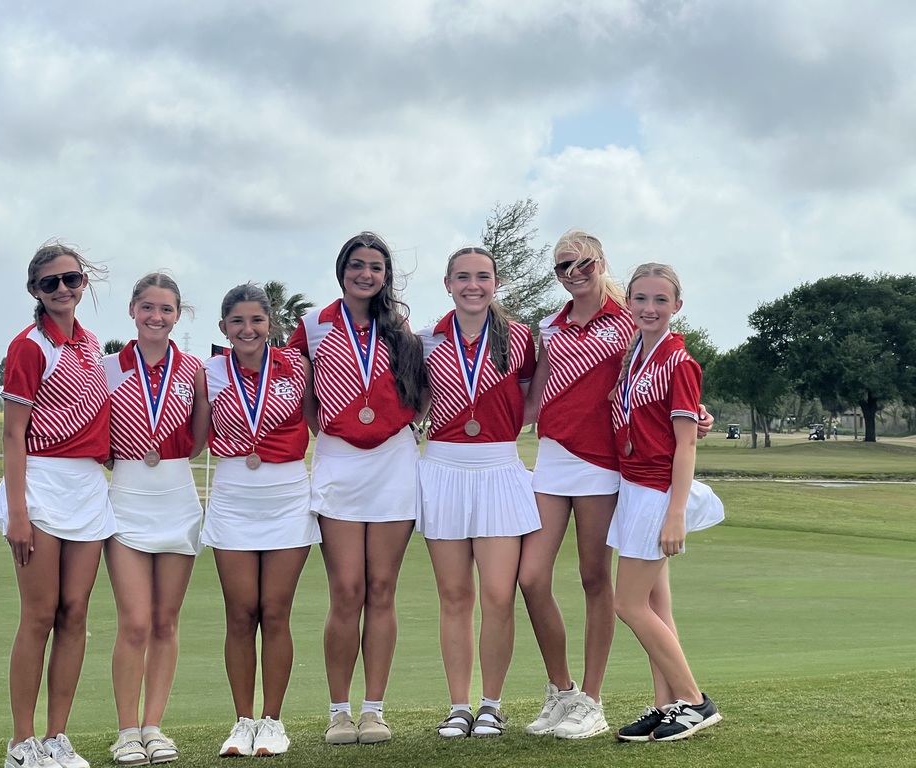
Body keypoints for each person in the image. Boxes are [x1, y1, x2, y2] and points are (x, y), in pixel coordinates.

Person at [520, 230, 714, 740]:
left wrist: (695, 416)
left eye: (583, 263)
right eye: (563, 266)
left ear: (601, 262)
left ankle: (595, 699)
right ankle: (566, 692)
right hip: (556, 458)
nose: (574, 273)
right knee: (532, 576)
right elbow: (537, 398)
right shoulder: (550, 325)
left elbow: (668, 383)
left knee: (601, 581)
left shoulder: (629, 319)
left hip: (609, 466)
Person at [287, 232, 426, 745]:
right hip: (339, 462)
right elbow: (299, 389)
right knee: (346, 590)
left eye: (376, 267)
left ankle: (373, 711)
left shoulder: (400, 328)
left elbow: (422, 389)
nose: (366, 274)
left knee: (382, 589)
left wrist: (406, 426)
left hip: (393, 462)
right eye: (357, 265)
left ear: (385, 276)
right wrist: (323, 431)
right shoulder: (312, 326)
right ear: (341, 269)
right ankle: (339, 712)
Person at [0, 241, 114, 768]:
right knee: (39, 615)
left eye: (71, 279)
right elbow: (13, 435)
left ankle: (56, 737)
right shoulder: (29, 346)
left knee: (74, 614)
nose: (63, 289)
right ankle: (21, 743)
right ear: (35, 290)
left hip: (87, 488)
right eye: (51, 282)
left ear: (83, 283)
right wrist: (18, 512)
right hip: (40, 485)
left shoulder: (90, 344)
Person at [416, 246, 541, 739]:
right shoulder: (426, 340)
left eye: (483, 276)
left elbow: (534, 398)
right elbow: (416, 402)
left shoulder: (521, 338)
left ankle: (491, 704)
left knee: (498, 595)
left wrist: (502, 427)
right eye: (463, 277)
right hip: (443, 468)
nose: (474, 285)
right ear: (448, 284)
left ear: (496, 283)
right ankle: (458, 706)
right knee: (454, 596)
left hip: (499, 468)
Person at [202, 284, 320, 758]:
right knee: (239, 613)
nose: (247, 329)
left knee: (274, 611)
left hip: (287, 494)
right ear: (223, 327)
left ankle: (272, 722)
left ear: (270, 324)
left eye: (256, 320)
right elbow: (193, 434)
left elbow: (319, 422)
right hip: (233, 496)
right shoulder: (209, 371)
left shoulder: (297, 366)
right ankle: (243, 722)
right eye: (237, 321)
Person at [608, 263, 724, 742]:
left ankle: (695, 701)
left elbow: (686, 444)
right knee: (656, 605)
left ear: (677, 306)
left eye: (660, 300)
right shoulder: (636, 353)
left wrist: (675, 515)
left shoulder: (679, 361)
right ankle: (666, 704)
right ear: (628, 302)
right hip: (634, 487)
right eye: (641, 298)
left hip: (657, 493)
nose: (649, 308)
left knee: (627, 604)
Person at [102, 273, 210, 765]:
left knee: (166, 623)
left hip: (178, 499)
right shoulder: (106, 368)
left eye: (166, 309)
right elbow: (98, 438)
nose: (156, 317)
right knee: (135, 623)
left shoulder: (194, 369)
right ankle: (126, 732)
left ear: (178, 315)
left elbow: (200, 439)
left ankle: (153, 728)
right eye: (147, 307)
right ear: (132, 310)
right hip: (126, 501)